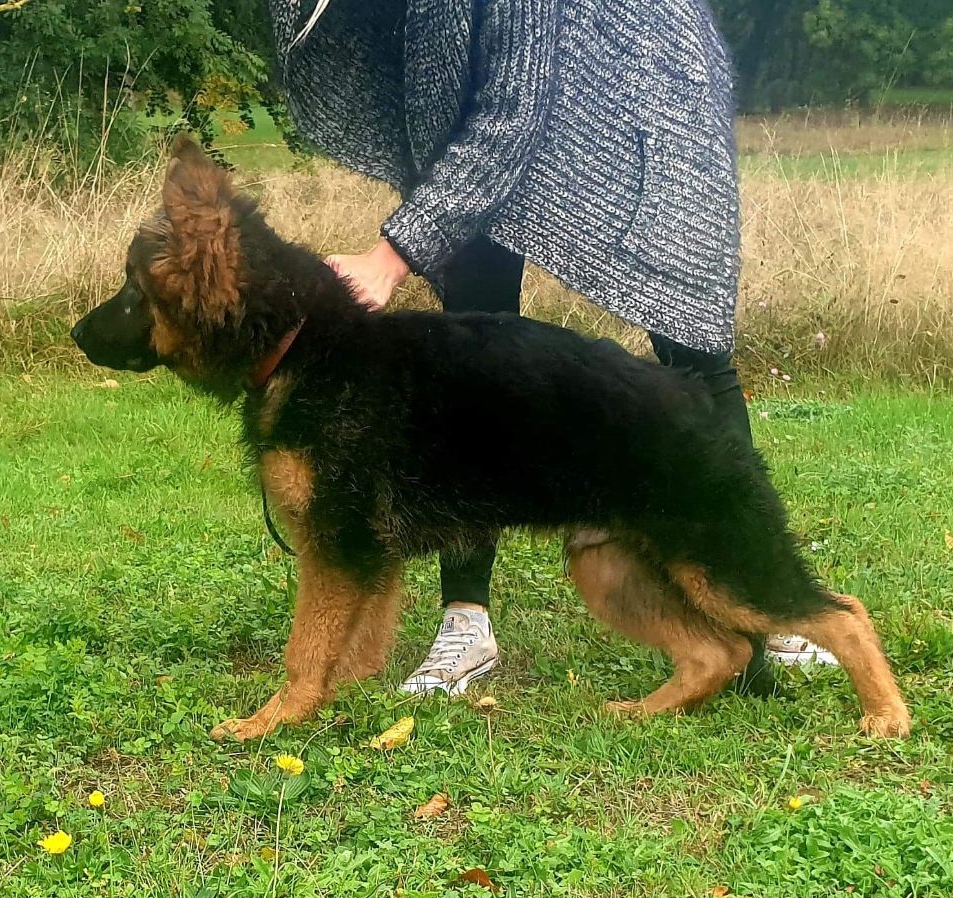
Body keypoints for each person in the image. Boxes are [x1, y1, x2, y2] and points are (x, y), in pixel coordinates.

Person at [269, 0, 833, 697]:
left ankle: (760, 593)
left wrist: (391, 257)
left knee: (692, 344)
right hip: (490, 108)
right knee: (470, 348)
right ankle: (465, 620)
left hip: (644, 90)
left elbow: (512, 111)